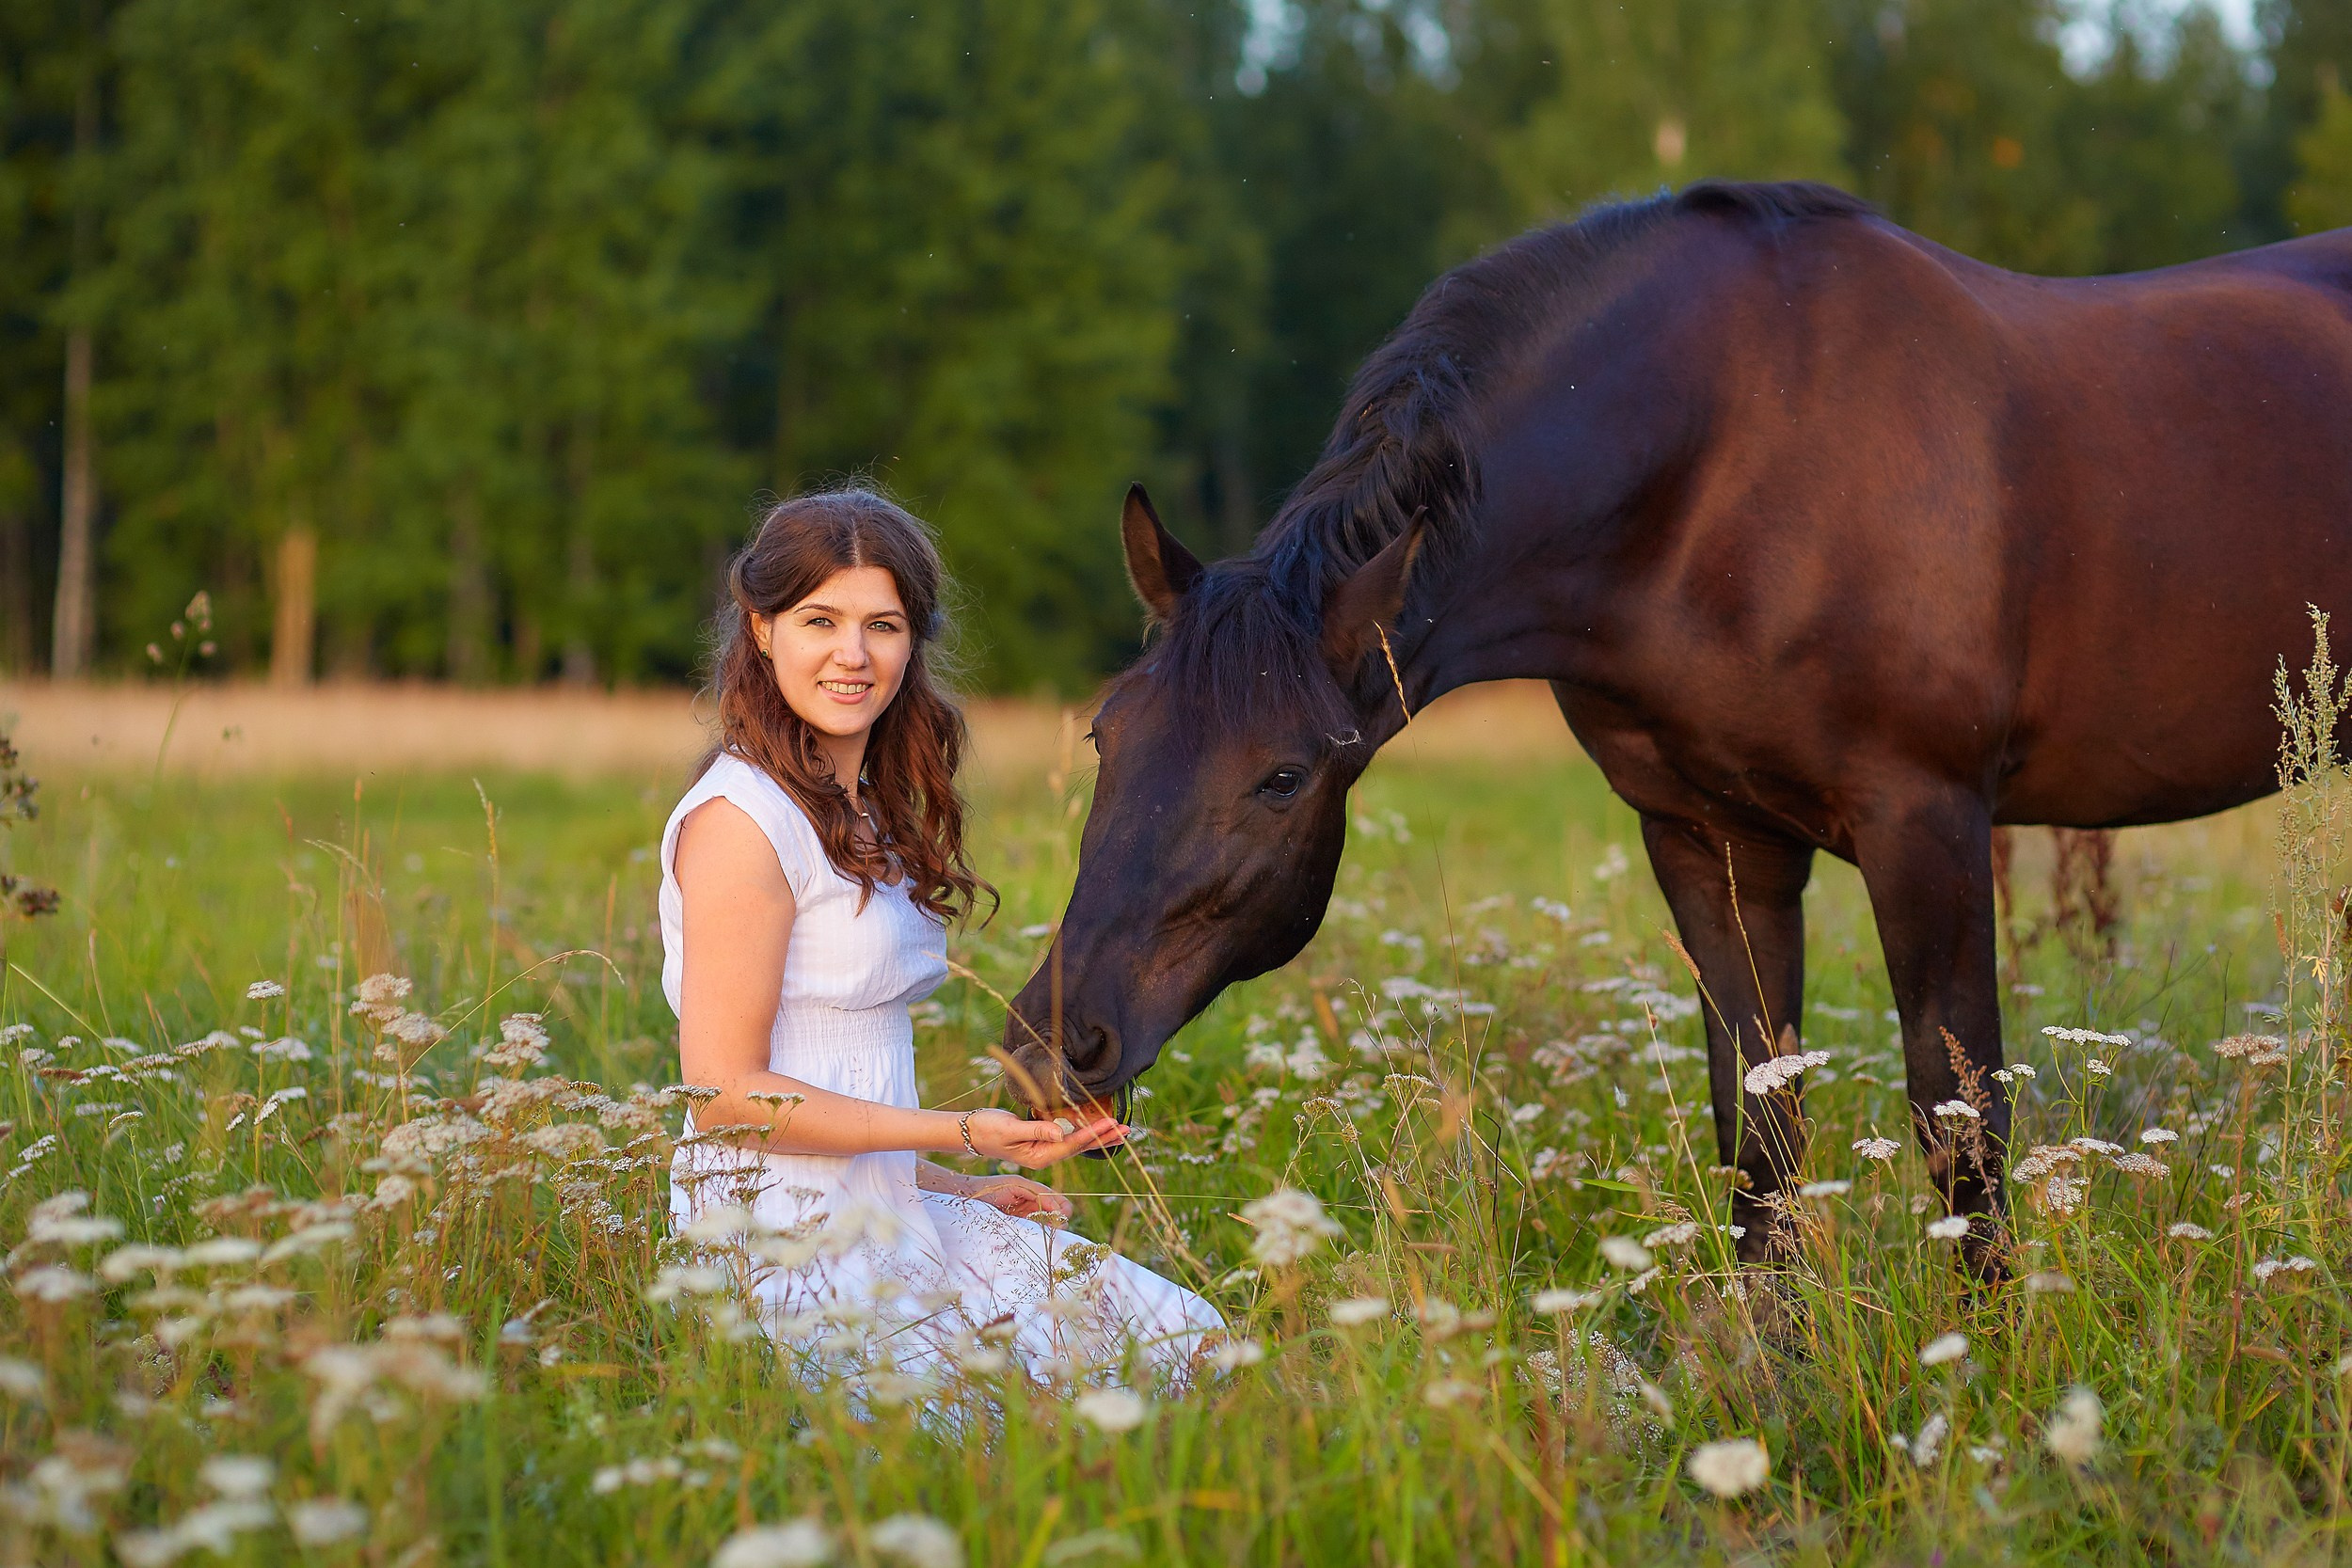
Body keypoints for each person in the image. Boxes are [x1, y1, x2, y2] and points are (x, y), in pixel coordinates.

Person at [659, 487, 1222, 1393]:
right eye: (820, 620)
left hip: (892, 1204)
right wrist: (965, 1133)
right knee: (986, 1425)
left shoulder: (866, 810)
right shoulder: (742, 820)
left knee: (1190, 1346)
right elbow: (728, 1093)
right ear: (761, 630)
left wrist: (953, 1188)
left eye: (882, 623)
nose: (853, 655)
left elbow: (846, 1071)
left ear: (913, 638)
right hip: (781, 1233)